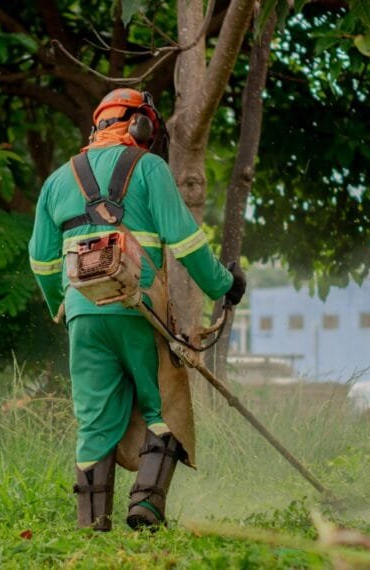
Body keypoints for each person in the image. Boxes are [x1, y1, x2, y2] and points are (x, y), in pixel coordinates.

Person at [28, 88, 247, 531]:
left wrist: (67, 308)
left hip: (84, 315)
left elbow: (42, 262)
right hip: (140, 309)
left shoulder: (56, 181)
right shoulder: (149, 168)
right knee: (163, 406)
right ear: (140, 126)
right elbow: (185, 241)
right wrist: (226, 284)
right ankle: (146, 505)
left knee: (93, 419)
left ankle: (91, 525)